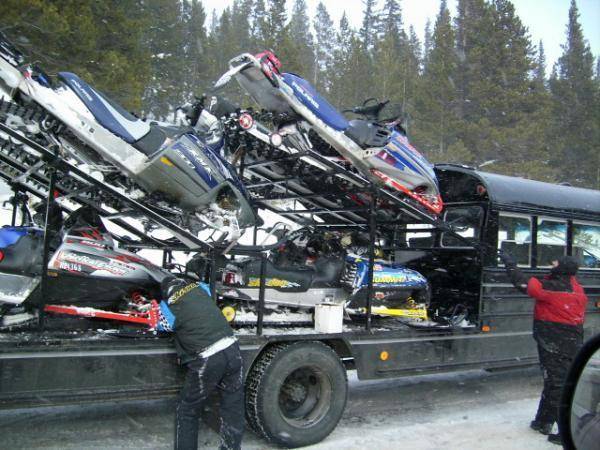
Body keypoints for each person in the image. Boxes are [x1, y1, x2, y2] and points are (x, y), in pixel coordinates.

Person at [499, 253, 588, 445]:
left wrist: (511, 264)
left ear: (562, 268)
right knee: (554, 381)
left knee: (557, 383)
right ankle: (543, 422)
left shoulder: (554, 287)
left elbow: (524, 284)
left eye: (555, 262)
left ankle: (567, 431)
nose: (551, 264)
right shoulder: (572, 285)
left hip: (556, 341)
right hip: (566, 340)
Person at [159, 277, 244, 450]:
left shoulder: (167, 305)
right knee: (232, 406)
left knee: (187, 410)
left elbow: (162, 326)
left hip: (209, 357)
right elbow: (207, 290)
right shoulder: (199, 289)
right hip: (232, 348)